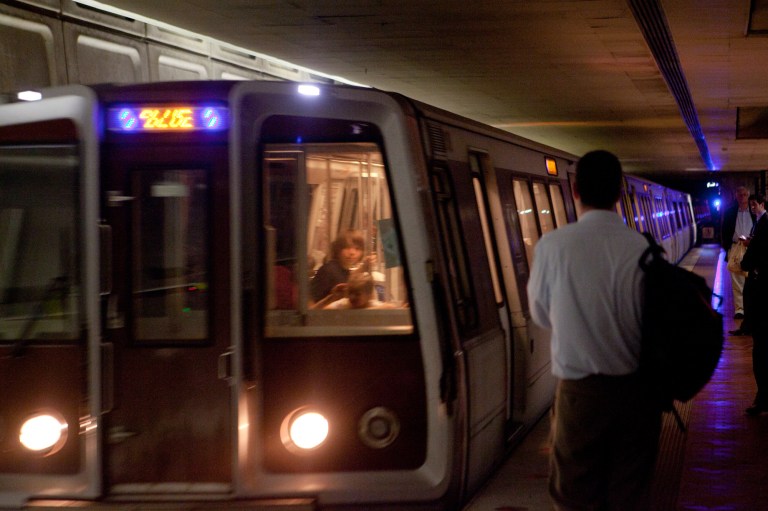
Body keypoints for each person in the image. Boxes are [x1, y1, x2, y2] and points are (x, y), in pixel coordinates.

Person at [527, 150, 662, 510]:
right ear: (620, 192)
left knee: (574, 495)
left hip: (579, 397)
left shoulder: (552, 247)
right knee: (629, 496)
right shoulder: (642, 248)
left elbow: (540, 315)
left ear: (574, 190)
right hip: (636, 395)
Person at [740, 193, 768, 416]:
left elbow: (747, 261)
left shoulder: (763, 228)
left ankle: (763, 398)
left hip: (763, 298)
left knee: (762, 350)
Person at [721, 186, 754, 328]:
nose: (743, 197)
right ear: (736, 196)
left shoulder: (754, 212)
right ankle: (739, 309)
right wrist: (727, 248)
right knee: (737, 279)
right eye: (740, 195)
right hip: (736, 247)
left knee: (751, 278)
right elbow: (724, 230)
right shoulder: (729, 212)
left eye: (745, 194)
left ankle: (751, 308)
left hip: (752, 247)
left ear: (748, 196)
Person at [310, 230, 372, 304]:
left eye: (357, 249)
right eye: (347, 248)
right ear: (338, 249)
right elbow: (311, 304)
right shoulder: (328, 270)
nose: (352, 252)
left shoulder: (345, 271)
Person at [312, 272, 391, 310]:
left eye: (357, 294)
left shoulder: (374, 305)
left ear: (369, 295)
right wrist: (331, 297)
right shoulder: (343, 304)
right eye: (350, 293)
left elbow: (390, 307)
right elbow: (319, 313)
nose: (352, 297)